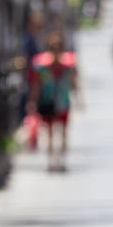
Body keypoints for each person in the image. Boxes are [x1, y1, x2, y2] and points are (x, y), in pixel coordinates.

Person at [27, 30, 80, 172]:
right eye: (53, 47)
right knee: (49, 133)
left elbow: (75, 83)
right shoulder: (42, 67)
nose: (55, 50)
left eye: (58, 47)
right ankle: (51, 162)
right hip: (47, 103)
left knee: (63, 133)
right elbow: (36, 85)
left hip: (63, 103)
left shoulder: (68, 66)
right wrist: (32, 101)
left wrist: (79, 99)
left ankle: (62, 161)